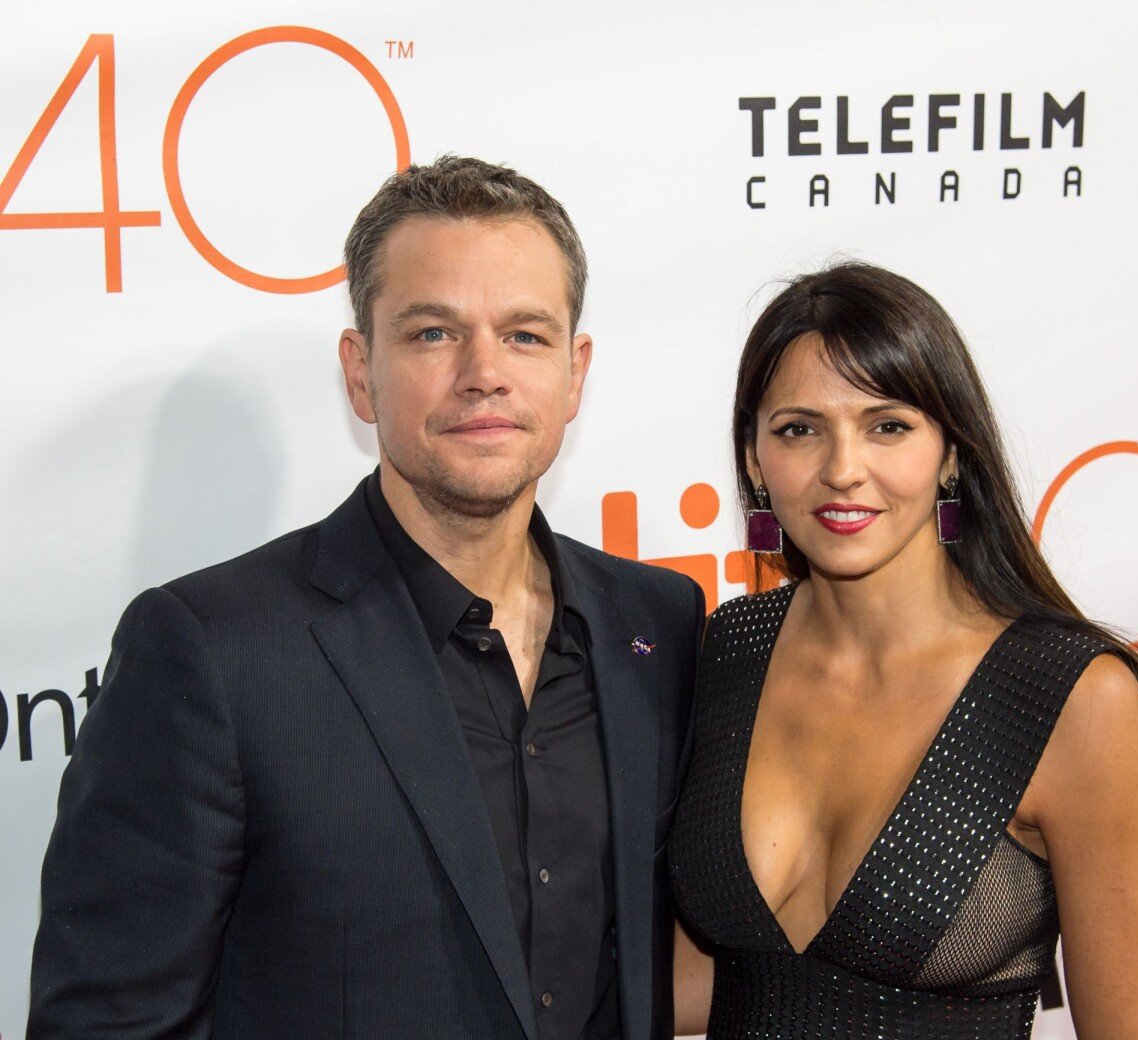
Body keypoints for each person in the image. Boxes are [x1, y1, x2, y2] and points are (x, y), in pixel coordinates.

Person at [28, 156, 704, 1040]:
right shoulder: (214, 652)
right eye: (432, 334)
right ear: (359, 370)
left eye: (525, 335)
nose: (484, 373)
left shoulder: (657, 624)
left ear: (575, 373)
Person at [669, 262, 1138, 1039]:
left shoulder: (1075, 702)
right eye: (798, 429)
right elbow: (694, 983)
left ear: (950, 454)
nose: (843, 470)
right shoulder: (722, 655)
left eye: (888, 426)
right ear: (752, 459)